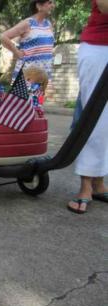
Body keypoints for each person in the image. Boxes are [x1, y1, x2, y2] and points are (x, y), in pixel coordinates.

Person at [67, 0, 108, 214]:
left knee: (106, 123)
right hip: (100, 47)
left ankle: (99, 183)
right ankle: (85, 186)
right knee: (95, 119)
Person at [0, 0, 55, 82]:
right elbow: (3, 37)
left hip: (45, 74)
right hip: (28, 75)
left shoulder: (48, 24)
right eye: (49, 2)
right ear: (39, 6)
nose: (53, 5)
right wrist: (17, 52)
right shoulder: (28, 23)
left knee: (43, 95)